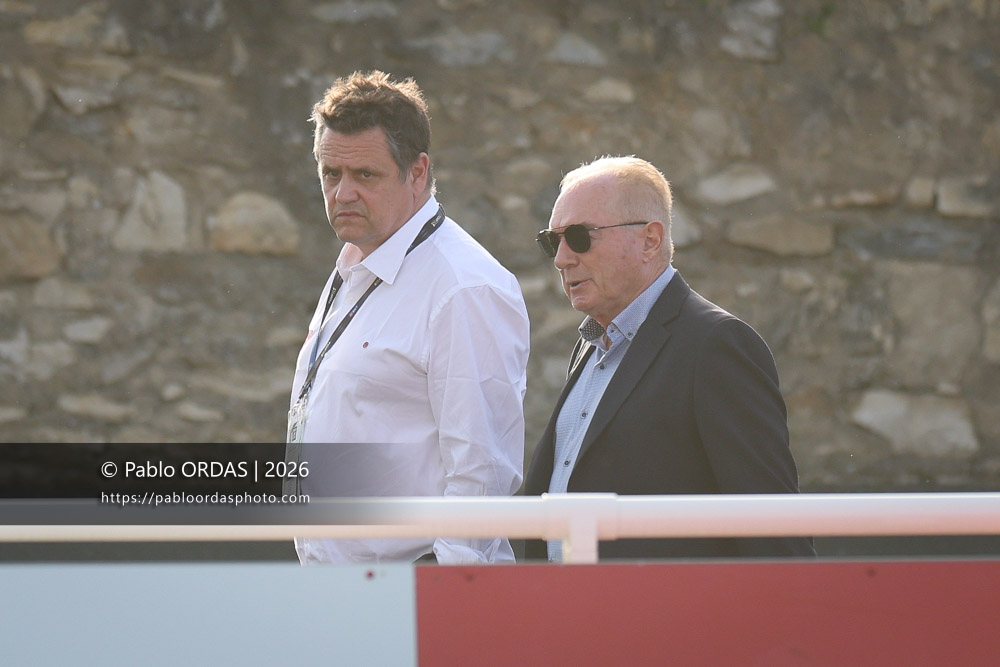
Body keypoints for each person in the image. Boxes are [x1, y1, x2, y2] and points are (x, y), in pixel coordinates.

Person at [286, 70, 530, 565]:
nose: (343, 193)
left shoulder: (463, 287)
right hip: (338, 594)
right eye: (331, 174)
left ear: (417, 172)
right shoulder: (358, 262)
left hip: (412, 600)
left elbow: (481, 473)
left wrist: (439, 603)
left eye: (365, 175)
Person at [524, 156, 815, 561]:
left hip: (666, 618)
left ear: (650, 240)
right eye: (552, 241)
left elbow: (773, 526)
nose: (562, 258)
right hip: (566, 611)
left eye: (579, 236)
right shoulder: (592, 345)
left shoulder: (716, 345)